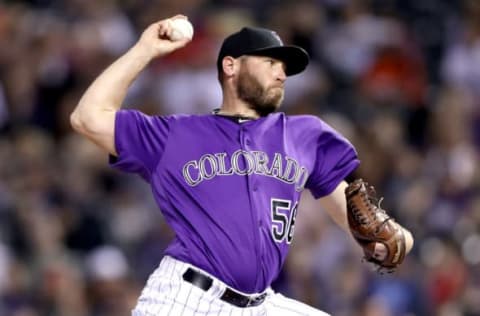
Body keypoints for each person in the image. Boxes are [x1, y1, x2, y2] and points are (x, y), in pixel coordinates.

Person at [71, 15, 414, 316]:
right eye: (270, 62)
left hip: (261, 303)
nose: (281, 73)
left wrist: (390, 237)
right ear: (231, 66)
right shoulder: (175, 134)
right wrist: (145, 50)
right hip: (187, 298)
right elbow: (88, 118)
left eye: (285, 68)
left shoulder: (302, 135)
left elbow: (353, 213)